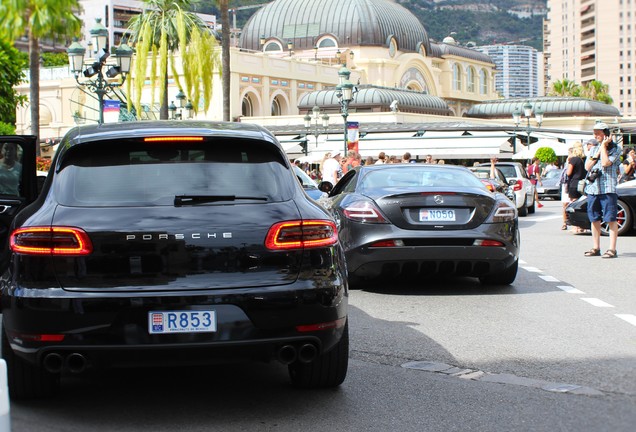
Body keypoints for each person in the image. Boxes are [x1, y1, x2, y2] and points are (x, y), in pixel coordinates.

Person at [583, 123, 622, 258]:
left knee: (610, 218)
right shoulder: (593, 149)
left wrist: (604, 147)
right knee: (594, 218)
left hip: (608, 188)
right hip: (593, 188)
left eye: (598, 133)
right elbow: (587, 167)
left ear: (606, 134)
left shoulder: (616, 149)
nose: (595, 136)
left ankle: (612, 249)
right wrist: (598, 151)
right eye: (594, 133)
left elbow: (605, 163)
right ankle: (596, 247)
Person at [566, 142, 587, 232]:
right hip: (583, 183)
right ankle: (582, 226)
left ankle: (576, 226)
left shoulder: (574, 159)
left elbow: (568, 173)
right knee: (581, 203)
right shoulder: (584, 159)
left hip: (574, 183)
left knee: (573, 204)